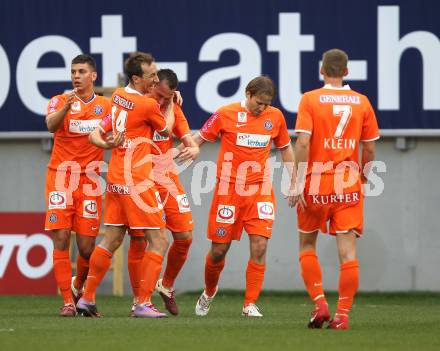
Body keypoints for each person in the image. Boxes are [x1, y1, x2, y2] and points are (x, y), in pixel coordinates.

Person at [76, 52, 175, 318]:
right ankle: (142, 303)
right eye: (151, 75)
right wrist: (173, 104)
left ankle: (86, 298)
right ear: (136, 78)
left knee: (111, 238)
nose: (156, 79)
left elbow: (95, 134)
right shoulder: (147, 105)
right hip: (138, 180)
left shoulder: (118, 95)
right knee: (160, 240)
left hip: (117, 177)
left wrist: (107, 144)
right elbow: (166, 130)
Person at [186, 76, 294, 317]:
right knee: (218, 251)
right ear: (248, 93)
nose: (263, 108)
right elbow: (199, 137)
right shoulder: (226, 113)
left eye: (267, 103)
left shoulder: (275, 117)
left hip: (260, 190)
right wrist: (186, 149)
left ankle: (249, 304)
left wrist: (294, 181)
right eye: (259, 102)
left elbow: (285, 147)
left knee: (260, 244)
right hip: (229, 191)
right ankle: (209, 291)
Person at [288, 48, 379, 330]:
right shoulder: (361, 102)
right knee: (348, 252)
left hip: (316, 181)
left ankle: (320, 305)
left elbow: (302, 143)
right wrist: (363, 176)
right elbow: (370, 148)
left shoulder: (310, 99)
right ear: (347, 72)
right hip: (348, 182)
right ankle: (342, 316)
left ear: (321, 71)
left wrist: (297, 181)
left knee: (306, 245)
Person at [44, 54, 115, 317]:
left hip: (90, 181)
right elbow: (51, 125)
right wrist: (66, 108)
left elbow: (136, 107)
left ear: (93, 76)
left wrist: (170, 99)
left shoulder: (107, 106)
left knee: (86, 247)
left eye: (82, 71)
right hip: (61, 178)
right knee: (61, 238)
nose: (76, 76)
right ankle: (67, 302)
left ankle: (78, 285)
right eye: (73, 71)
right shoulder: (58, 101)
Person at [128, 69, 199, 316]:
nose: (160, 100)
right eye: (158, 94)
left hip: (167, 178)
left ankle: (166, 286)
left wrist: (192, 150)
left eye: (166, 98)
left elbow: (189, 140)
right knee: (141, 240)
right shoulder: (140, 106)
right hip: (141, 179)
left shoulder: (174, 109)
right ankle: (139, 299)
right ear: (151, 86)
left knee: (185, 237)